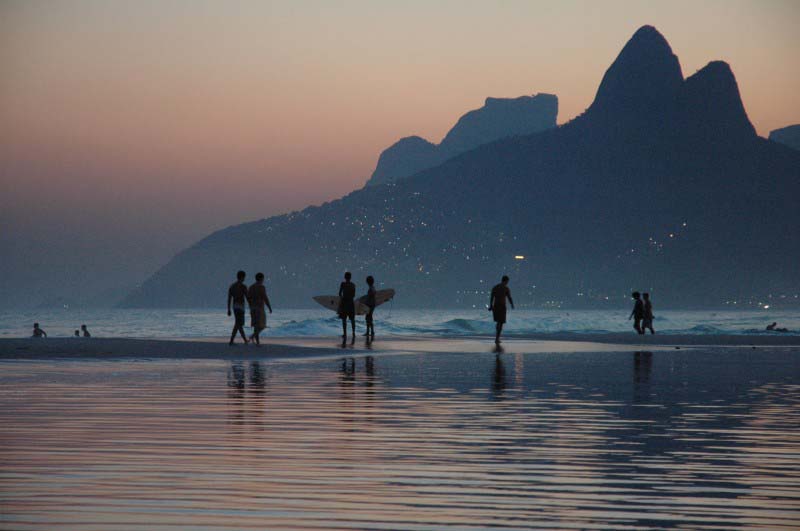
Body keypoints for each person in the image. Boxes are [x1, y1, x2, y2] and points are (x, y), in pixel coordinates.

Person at [247, 272, 273, 346]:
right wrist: (269, 307)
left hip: (253, 308)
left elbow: (248, 298)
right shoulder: (261, 287)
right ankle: (255, 340)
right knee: (262, 325)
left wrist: (250, 305)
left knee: (256, 325)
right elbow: (265, 298)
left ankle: (254, 338)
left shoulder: (251, 287)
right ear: (261, 279)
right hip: (259, 308)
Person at [489, 275, 514, 344]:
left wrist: (491, 305)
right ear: (506, 281)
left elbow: (491, 297)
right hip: (502, 306)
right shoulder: (506, 288)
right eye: (507, 282)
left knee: (498, 322)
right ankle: (497, 338)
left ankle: (497, 337)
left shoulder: (495, 287)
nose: (507, 283)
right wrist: (512, 304)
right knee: (501, 322)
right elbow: (509, 297)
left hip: (495, 306)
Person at [227, 270, 249, 346]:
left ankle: (243, 340)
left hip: (235, 306)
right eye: (244, 277)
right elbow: (247, 297)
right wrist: (251, 306)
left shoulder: (232, 286)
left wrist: (229, 309)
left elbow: (229, 299)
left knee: (239, 324)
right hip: (241, 306)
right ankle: (232, 340)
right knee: (238, 324)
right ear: (242, 277)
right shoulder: (243, 286)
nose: (244, 279)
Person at [338, 271, 356, 344]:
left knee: (344, 319)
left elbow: (339, 293)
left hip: (344, 302)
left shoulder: (343, 284)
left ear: (345, 277)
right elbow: (354, 295)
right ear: (350, 277)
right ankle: (353, 333)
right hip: (351, 303)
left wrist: (341, 299)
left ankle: (345, 334)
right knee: (352, 319)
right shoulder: (353, 285)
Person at [362, 275, 376, 340]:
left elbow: (370, 297)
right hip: (372, 305)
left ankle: (370, 332)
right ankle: (370, 331)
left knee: (368, 318)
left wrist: (365, 302)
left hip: (370, 305)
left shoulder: (371, 289)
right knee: (369, 318)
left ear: (368, 282)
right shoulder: (373, 287)